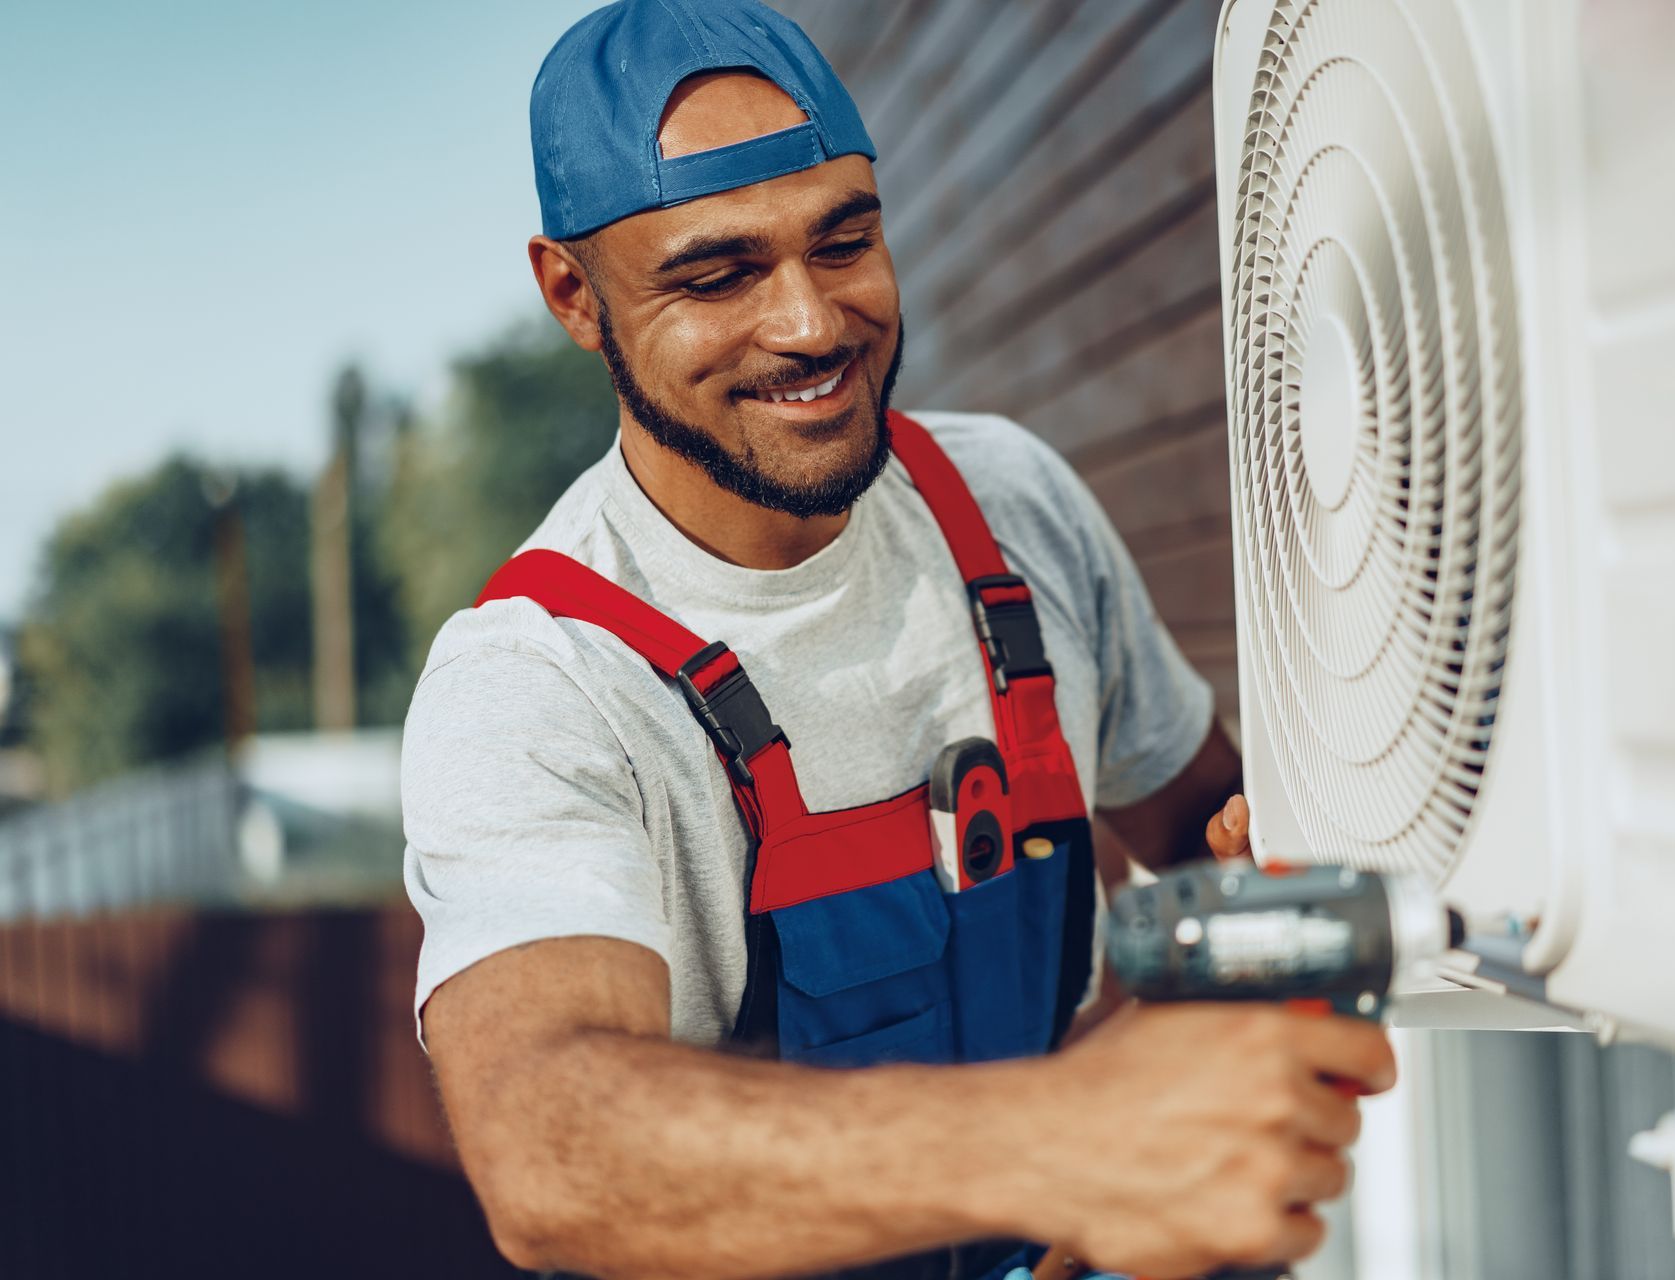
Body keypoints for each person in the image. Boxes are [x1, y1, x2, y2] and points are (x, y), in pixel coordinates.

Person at [401, 3, 1397, 1277]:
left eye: (846, 239)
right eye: (717, 276)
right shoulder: (540, 681)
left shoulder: (1011, 506)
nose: (813, 323)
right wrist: (1065, 1138)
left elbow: (1220, 845)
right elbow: (549, 1150)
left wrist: (1247, 927)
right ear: (572, 296)